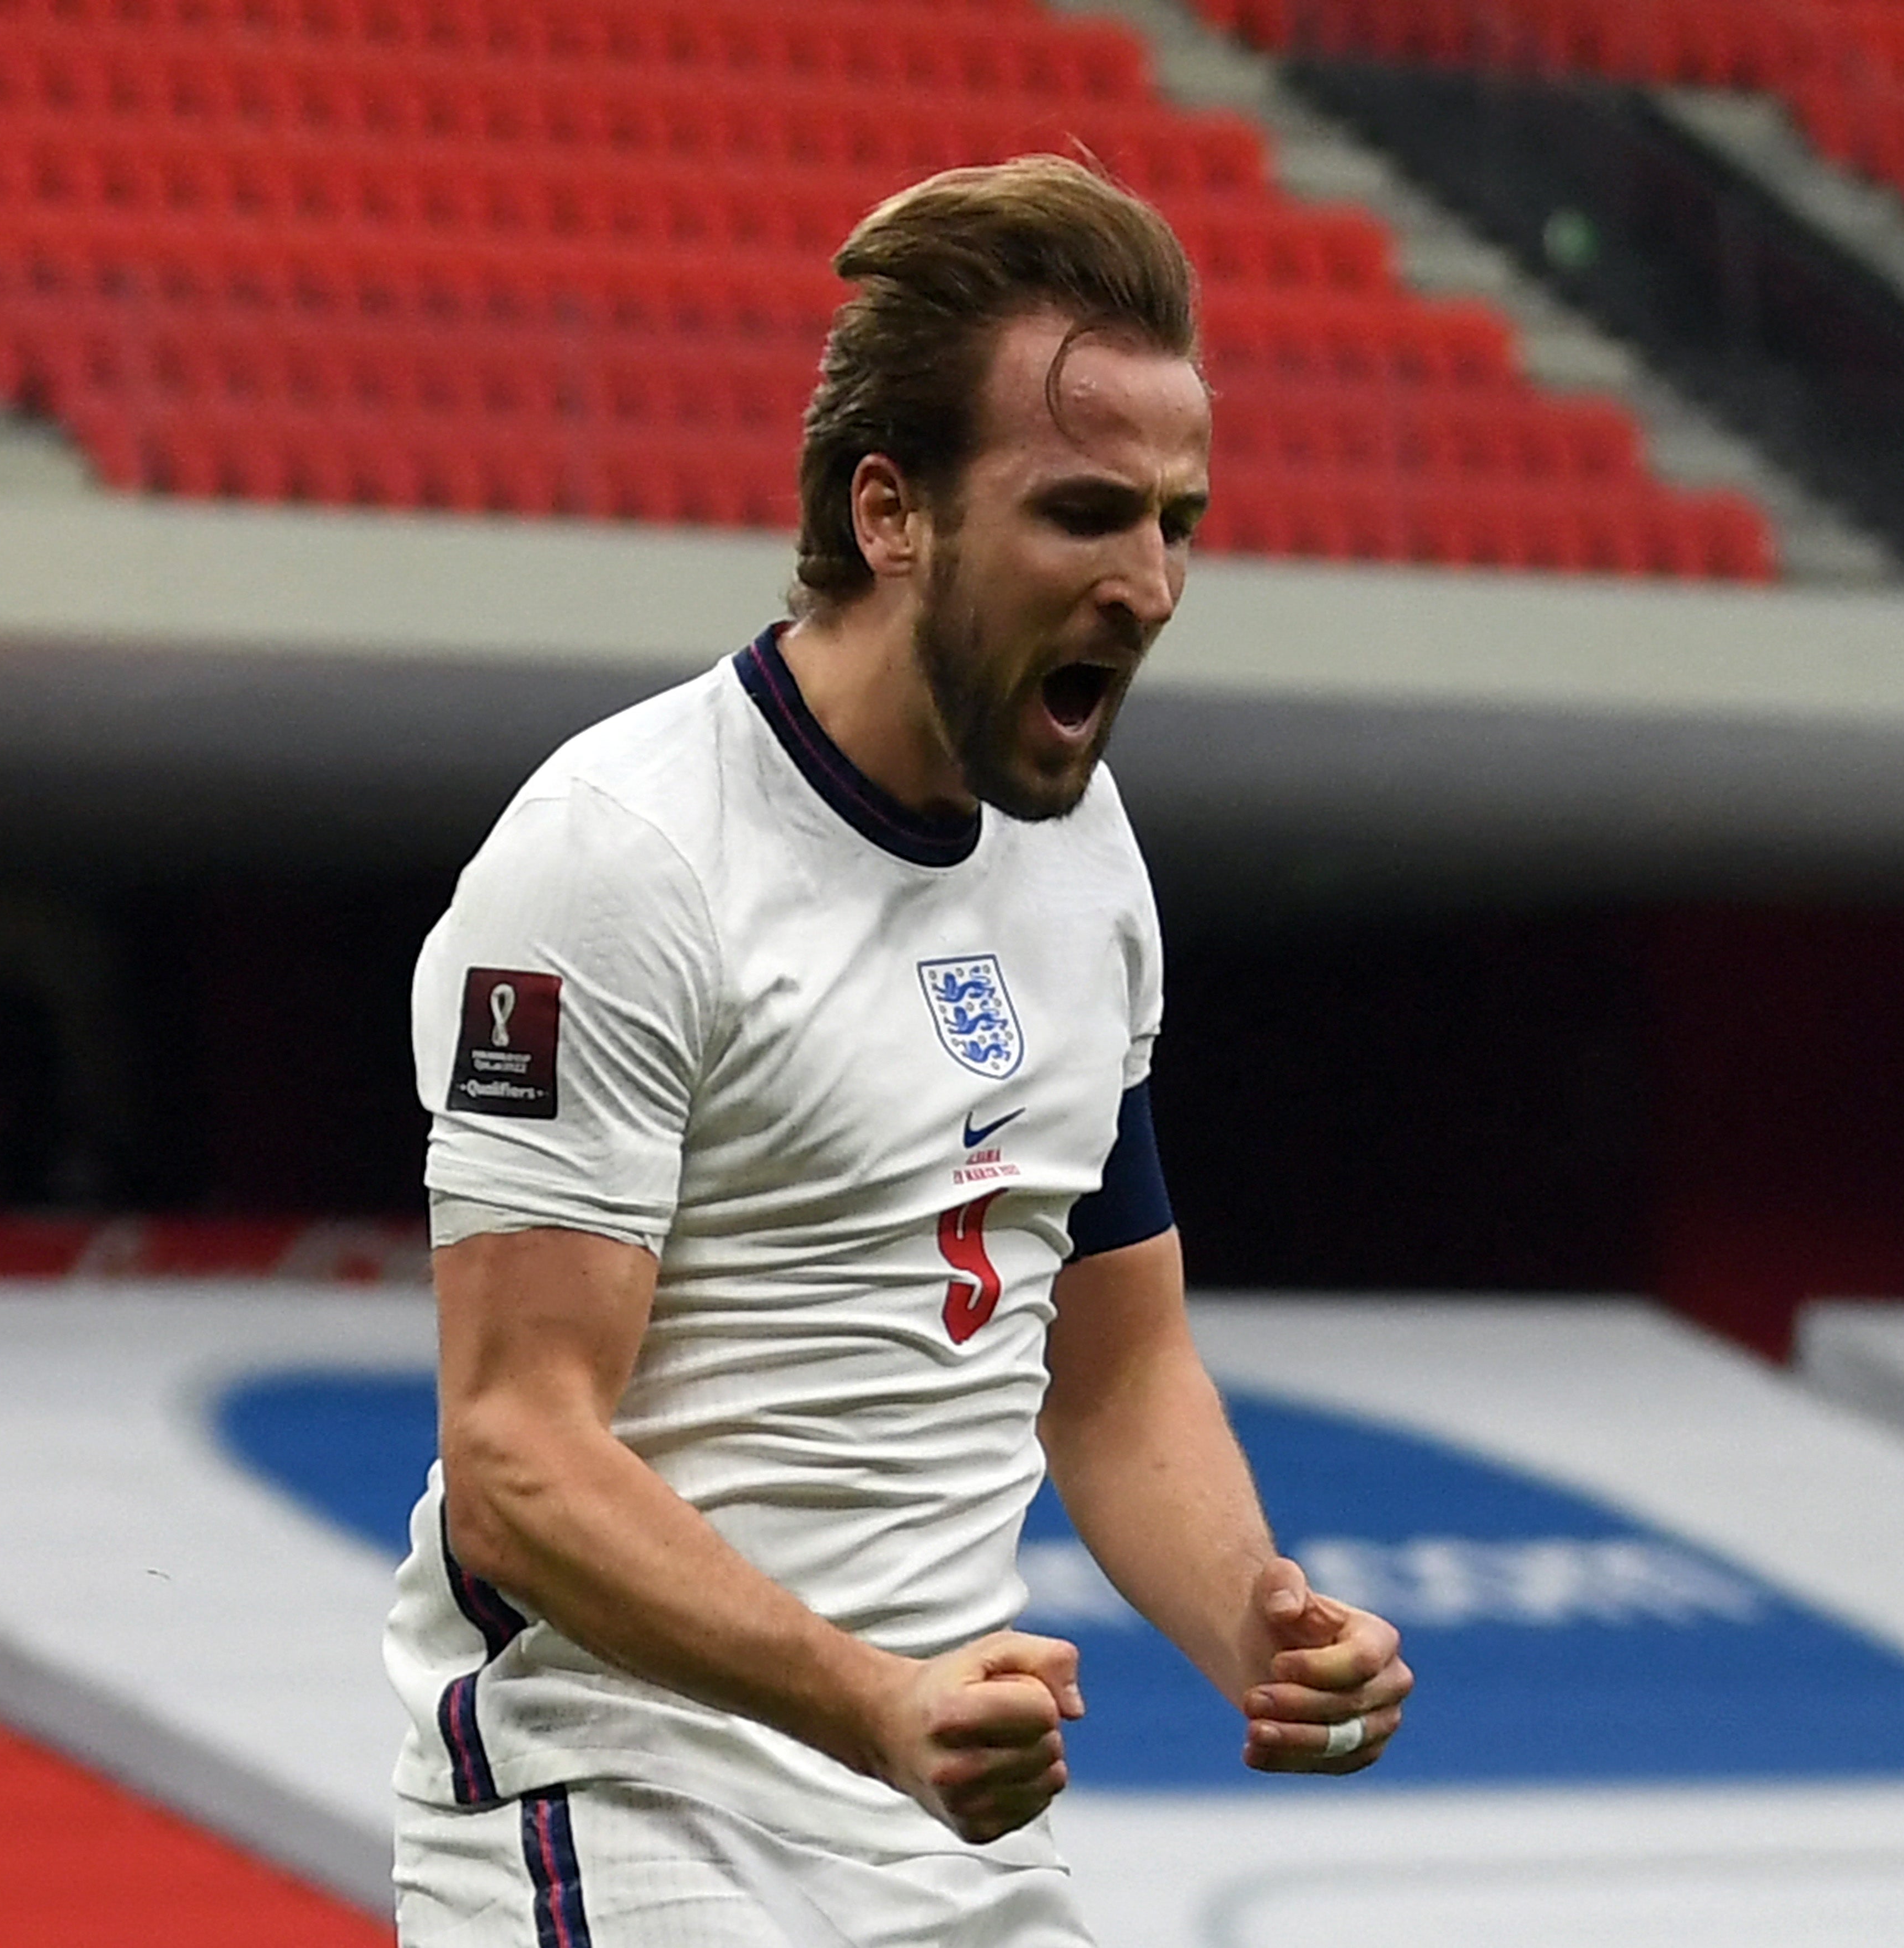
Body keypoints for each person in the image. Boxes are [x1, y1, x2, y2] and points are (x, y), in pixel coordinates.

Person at [384, 155, 1413, 1946]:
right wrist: (871, 1702)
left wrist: (1259, 1619)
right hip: (627, 1807)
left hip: (945, 1830)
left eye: (1178, 521)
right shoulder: (619, 853)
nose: (1151, 584)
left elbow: (1112, 1375)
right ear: (892, 513)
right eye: (1086, 514)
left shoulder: (1087, 865)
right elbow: (517, 1459)